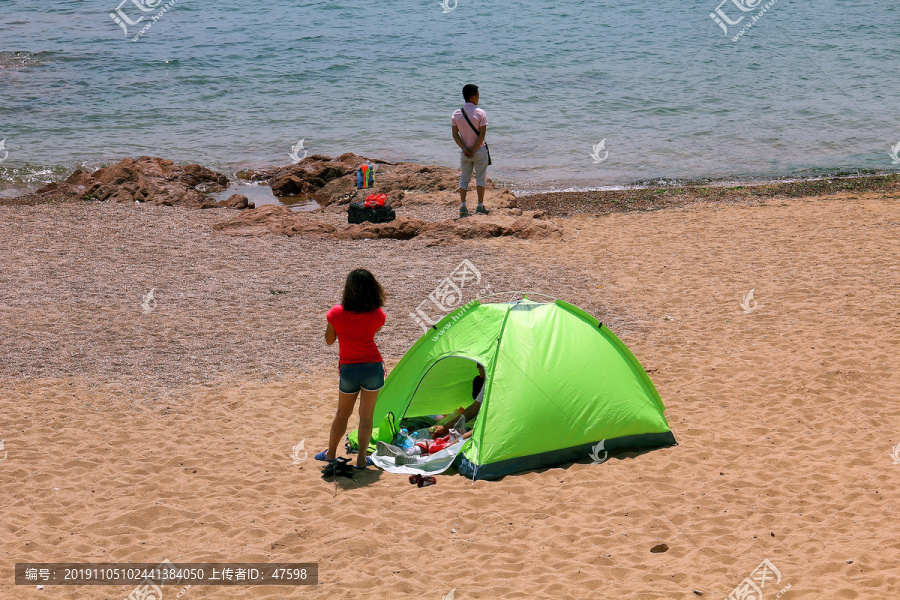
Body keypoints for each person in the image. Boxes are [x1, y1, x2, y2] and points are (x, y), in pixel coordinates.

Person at [315, 269, 386, 470]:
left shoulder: (336, 313)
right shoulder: (377, 314)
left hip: (349, 368)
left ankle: (330, 454)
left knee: (342, 414)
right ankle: (362, 460)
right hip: (372, 367)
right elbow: (373, 333)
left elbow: (329, 341)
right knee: (367, 416)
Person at [451, 84, 489, 218]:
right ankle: (480, 206)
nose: (478, 98)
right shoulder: (480, 113)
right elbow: (482, 135)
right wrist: (474, 149)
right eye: (478, 95)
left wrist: (465, 148)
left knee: (464, 178)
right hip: (479, 151)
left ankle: (463, 206)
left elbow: (455, 135)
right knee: (480, 178)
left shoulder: (456, 114)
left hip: (465, 152)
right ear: (473, 97)